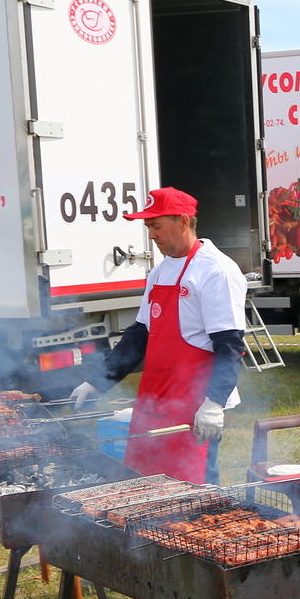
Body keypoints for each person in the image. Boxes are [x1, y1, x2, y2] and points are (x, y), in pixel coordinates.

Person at [70, 187, 246, 483]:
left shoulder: (216, 271)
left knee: (193, 491)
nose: (150, 234)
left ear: (183, 221)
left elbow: (229, 346)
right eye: (148, 227)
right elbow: (138, 335)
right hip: (155, 401)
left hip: (195, 404)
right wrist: (97, 381)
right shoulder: (160, 271)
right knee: (142, 484)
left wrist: (214, 403)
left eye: (156, 226)